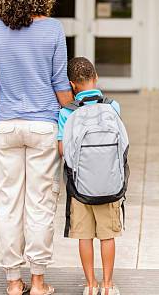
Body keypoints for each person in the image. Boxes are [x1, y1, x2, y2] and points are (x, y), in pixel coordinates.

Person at [0, 0, 73, 295]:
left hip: (5, 127)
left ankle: (13, 282)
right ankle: (38, 281)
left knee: (7, 204)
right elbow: (61, 87)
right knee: (40, 203)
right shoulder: (53, 29)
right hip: (43, 128)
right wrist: (77, 105)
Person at [58, 57, 122, 295]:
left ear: (72, 84)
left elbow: (63, 150)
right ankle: (108, 285)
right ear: (96, 78)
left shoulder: (67, 112)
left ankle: (91, 285)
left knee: (85, 236)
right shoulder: (112, 106)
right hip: (109, 184)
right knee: (108, 236)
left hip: (80, 187)